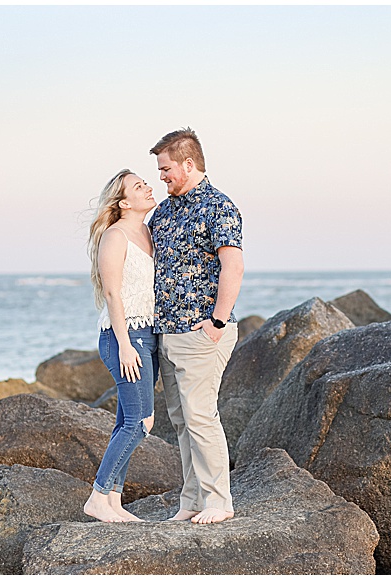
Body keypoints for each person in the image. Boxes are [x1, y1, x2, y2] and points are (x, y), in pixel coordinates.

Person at [149, 128, 244, 525]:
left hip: (202, 331)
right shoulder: (164, 212)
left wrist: (218, 321)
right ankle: (192, 500)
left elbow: (233, 265)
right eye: (159, 170)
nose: (161, 176)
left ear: (189, 164)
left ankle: (219, 502)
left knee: (201, 416)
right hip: (167, 332)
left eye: (166, 168)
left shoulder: (218, 206)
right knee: (182, 421)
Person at [83, 169, 158, 523]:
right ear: (124, 201)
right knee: (142, 421)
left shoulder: (147, 231)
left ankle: (113, 499)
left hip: (145, 334)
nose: (149, 188)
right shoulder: (115, 236)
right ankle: (98, 495)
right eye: (139, 186)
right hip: (122, 336)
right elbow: (113, 293)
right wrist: (126, 345)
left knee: (126, 421)